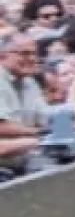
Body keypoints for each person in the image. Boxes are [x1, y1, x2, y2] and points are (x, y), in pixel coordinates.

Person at [0, 31, 47, 172]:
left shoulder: (30, 82)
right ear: (3, 55)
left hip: (27, 156)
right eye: (24, 53)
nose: (32, 58)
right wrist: (38, 133)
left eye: (34, 54)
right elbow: (2, 127)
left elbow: (44, 119)